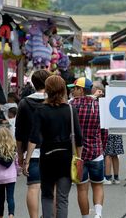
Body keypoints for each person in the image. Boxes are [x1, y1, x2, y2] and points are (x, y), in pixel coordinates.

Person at [24, 75, 83, 218]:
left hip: (47, 158)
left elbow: (34, 138)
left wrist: (27, 161)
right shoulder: (70, 110)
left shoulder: (40, 110)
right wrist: (78, 158)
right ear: (63, 90)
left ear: (47, 90)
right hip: (65, 158)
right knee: (62, 199)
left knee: (47, 196)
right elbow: (79, 138)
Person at [15, 69, 51, 218]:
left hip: (32, 153)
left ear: (34, 84)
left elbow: (19, 132)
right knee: (51, 189)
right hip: (53, 152)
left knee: (33, 188)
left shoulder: (24, 103)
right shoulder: (54, 101)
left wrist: (20, 155)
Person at [69, 77, 105, 218]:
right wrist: (102, 146)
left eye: (75, 88)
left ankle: (85, 217)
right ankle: (98, 214)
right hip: (96, 152)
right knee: (98, 185)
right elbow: (104, 131)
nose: (72, 91)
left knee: (82, 189)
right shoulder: (99, 106)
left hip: (78, 156)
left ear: (81, 90)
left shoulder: (70, 106)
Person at [0, 127, 20, 218]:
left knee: (1, 198)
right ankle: (11, 215)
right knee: (10, 197)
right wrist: (18, 172)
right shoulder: (13, 150)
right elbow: (17, 164)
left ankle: (0, 216)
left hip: (0, 178)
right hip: (11, 178)